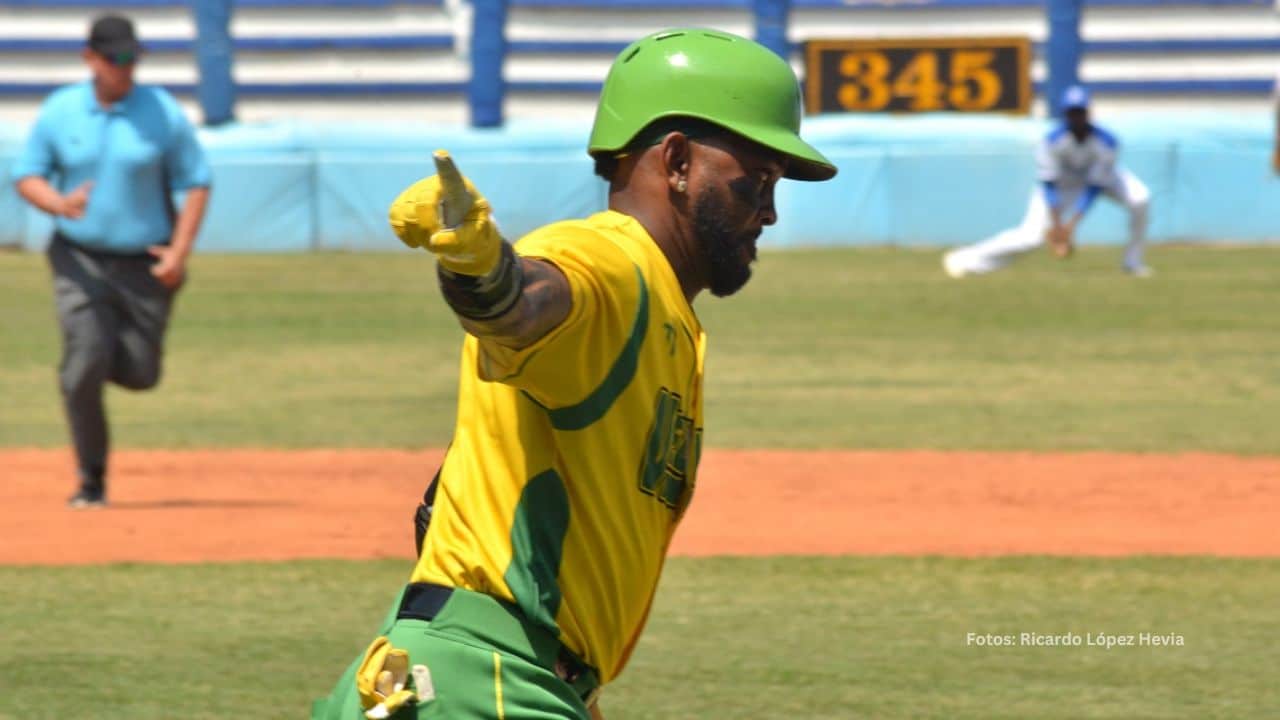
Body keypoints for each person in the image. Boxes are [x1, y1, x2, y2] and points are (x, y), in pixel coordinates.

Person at [310, 28, 836, 720]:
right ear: (676, 160)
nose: (768, 212)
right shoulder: (614, 261)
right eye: (755, 182)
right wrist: (480, 269)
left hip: (500, 681)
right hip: (480, 685)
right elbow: (526, 304)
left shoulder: (671, 316)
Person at [12, 14, 212, 508]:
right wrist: (57, 205)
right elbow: (28, 174)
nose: (126, 68)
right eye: (116, 58)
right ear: (90, 58)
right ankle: (91, 479)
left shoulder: (161, 111)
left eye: (133, 58)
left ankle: (94, 356)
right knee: (82, 364)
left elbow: (196, 180)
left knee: (141, 373)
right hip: (78, 258)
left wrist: (180, 251)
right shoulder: (61, 111)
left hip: (145, 262)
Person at [943, 85, 1152, 278]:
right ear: (1065, 114)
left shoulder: (1106, 142)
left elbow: (1094, 187)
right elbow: (1049, 185)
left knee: (1140, 198)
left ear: (1088, 112)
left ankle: (1132, 262)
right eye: (1072, 112)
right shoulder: (1052, 141)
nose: (1076, 117)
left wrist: (1070, 227)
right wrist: (1057, 224)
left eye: (1080, 111)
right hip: (1060, 186)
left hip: (1102, 180)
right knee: (1030, 237)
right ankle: (966, 259)